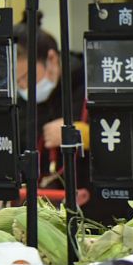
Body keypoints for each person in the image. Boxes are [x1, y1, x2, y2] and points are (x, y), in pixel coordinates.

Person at [14, 12, 88, 199]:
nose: (23, 87)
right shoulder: (19, 101)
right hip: (42, 202)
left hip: (91, 201)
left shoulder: (86, 82)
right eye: (16, 82)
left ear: (52, 60)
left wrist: (81, 134)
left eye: (26, 78)